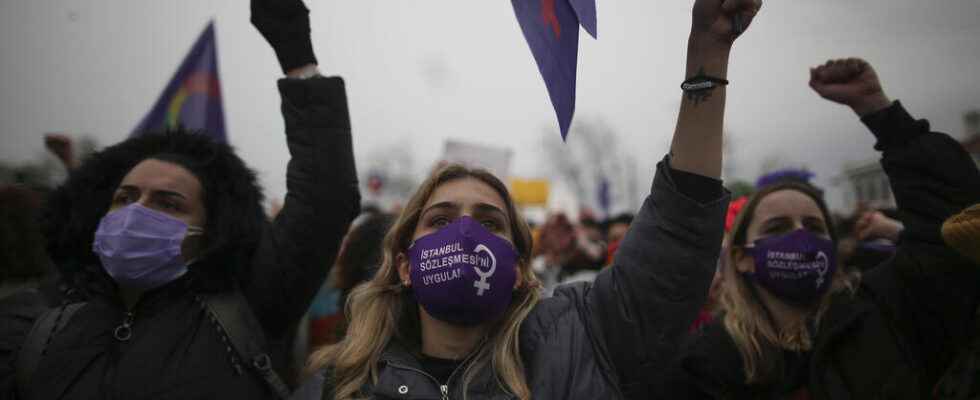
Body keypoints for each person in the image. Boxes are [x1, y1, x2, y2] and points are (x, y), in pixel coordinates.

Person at [290, 0, 763, 398]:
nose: (466, 231)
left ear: (518, 269)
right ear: (404, 265)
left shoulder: (583, 339)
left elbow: (678, 230)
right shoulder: (338, 385)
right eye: (440, 219)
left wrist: (708, 51)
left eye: (491, 222)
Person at [8, 0, 361, 397]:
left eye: (168, 203)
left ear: (208, 229)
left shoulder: (246, 307)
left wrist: (298, 62)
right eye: (124, 197)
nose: (137, 211)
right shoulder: (39, 322)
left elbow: (324, 200)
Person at [661, 58, 980, 399]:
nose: (801, 235)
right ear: (741, 257)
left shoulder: (888, 309)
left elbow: (948, 231)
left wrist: (880, 113)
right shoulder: (709, 361)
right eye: (777, 227)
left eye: (814, 225)